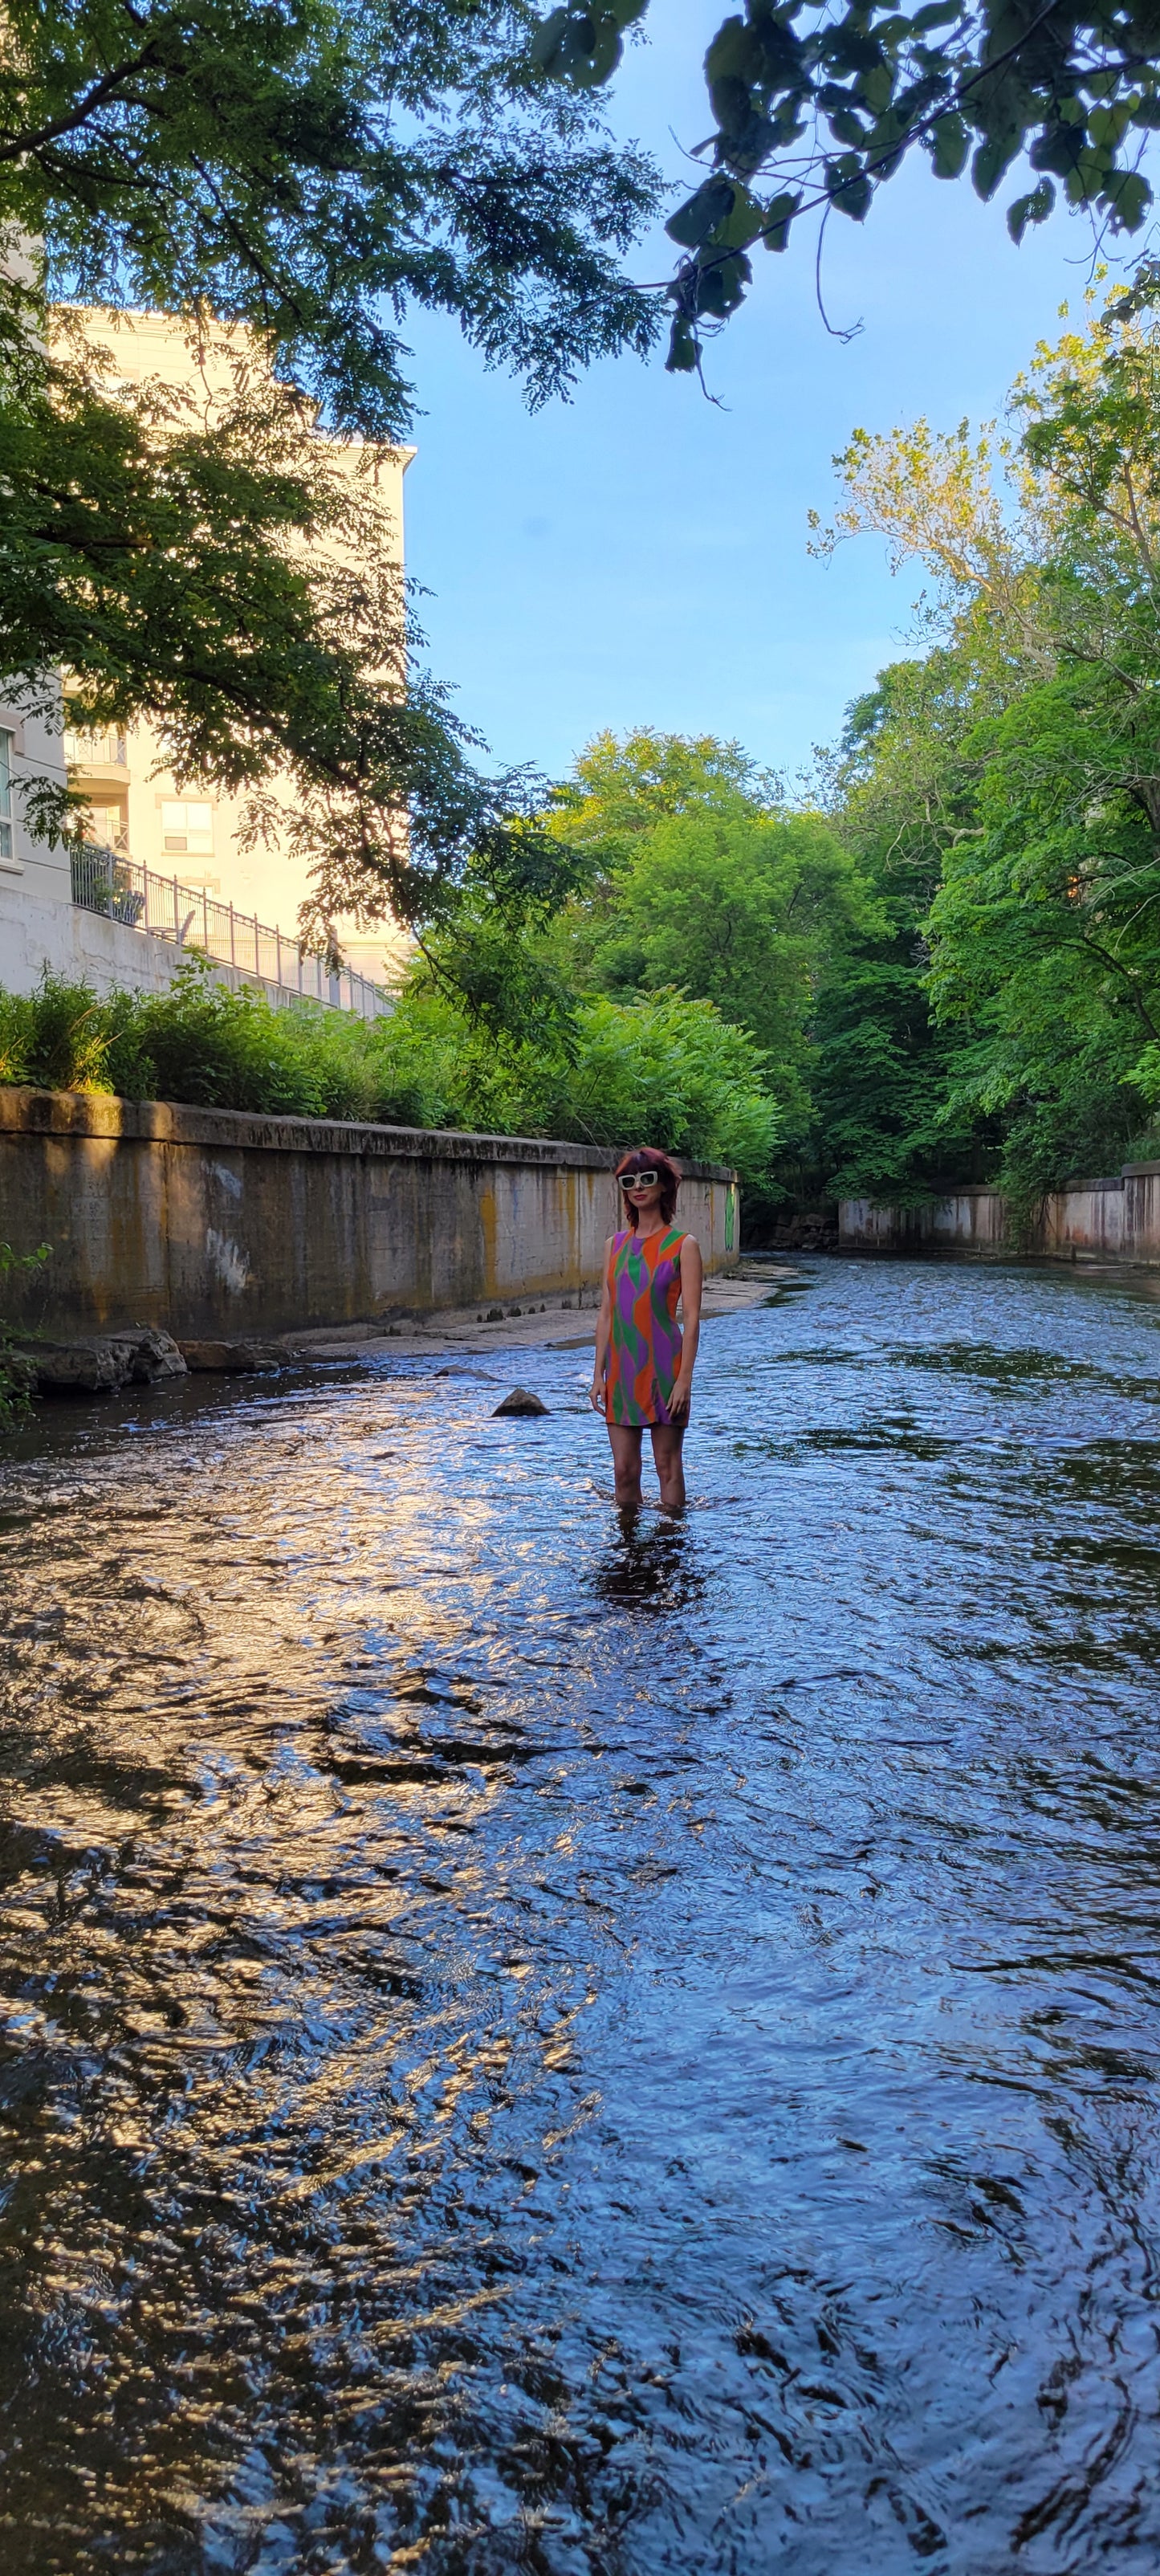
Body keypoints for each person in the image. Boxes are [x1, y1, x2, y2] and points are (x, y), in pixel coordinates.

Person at [588, 1146, 704, 1514]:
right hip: (622, 1372)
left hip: (666, 1371)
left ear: (664, 1186)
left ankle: (670, 1546)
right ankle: (629, 1549)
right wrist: (597, 1375)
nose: (638, 1187)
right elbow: (606, 1313)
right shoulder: (614, 1246)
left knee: (666, 1466)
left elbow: (692, 1318)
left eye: (647, 1178)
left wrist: (684, 1380)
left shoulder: (683, 1246)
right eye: (629, 1181)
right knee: (624, 1471)